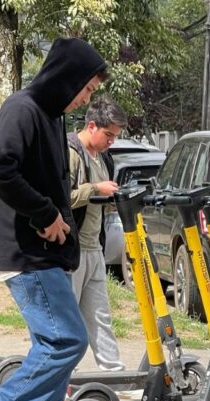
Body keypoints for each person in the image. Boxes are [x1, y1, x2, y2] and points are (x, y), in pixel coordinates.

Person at [0, 38, 108, 401]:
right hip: (25, 255)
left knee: (54, 352)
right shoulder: (22, 108)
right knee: (68, 341)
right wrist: (45, 214)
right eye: (85, 89)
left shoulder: (51, 118)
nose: (86, 99)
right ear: (66, 77)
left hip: (50, 255)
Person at [68, 97, 127, 371]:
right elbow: (61, 198)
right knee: (67, 322)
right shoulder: (71, 152)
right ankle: (63, 377)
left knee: (101, 316)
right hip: (72, 250)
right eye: (109, 135)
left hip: (95, 248)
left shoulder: (104, 157)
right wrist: (96, 189)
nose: (111, 142)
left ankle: (114, 372)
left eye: (115, 137)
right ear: (92, 126)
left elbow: (100, 195)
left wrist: (111, 197)